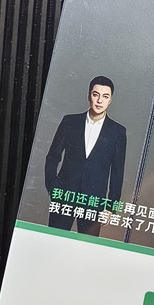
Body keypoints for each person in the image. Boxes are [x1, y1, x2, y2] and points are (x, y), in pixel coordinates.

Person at [44, 76, 127, 235]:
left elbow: (117, 173)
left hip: (94, 202)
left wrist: (111, 208)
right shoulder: (69, 122)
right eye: (96, 94)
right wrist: (53, 188)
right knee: (53, 243)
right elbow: (52, 157)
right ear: (89, 95)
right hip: (64, 197)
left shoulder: (118, 132)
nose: (100, 100)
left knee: (86, 247)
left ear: (110, 100)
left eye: (105, 96)